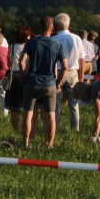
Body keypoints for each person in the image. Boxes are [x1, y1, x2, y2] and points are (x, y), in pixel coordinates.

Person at [18, 16, 68, 149]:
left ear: (39, 28)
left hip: (32, 82)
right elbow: (65, 66)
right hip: (49, 84)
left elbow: (21, 60)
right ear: (52, 28)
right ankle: (49, 144)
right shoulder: (57, 45)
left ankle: (26, 143)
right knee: (50, 115)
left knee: (28, 114)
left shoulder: (32, 42)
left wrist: (24, 76)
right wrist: (58, 82)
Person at [52, 13, 85, 132]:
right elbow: (82, 59)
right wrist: (81, 77)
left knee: (56, 104)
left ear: (56, 25)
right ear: (69, 24)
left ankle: (55, 127)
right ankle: (75, 128)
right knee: (74, 103)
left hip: (58, 72)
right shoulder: (77, 38)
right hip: (73, 72)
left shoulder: (54, 39)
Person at [5, 26, 32, 133]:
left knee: (14, 108)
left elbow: (8, 62)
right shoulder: (30, 47)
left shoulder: (11, 47)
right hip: (27, 75)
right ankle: (26, 129)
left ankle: (15, 129)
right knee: (27, 107)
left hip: (14, 76)